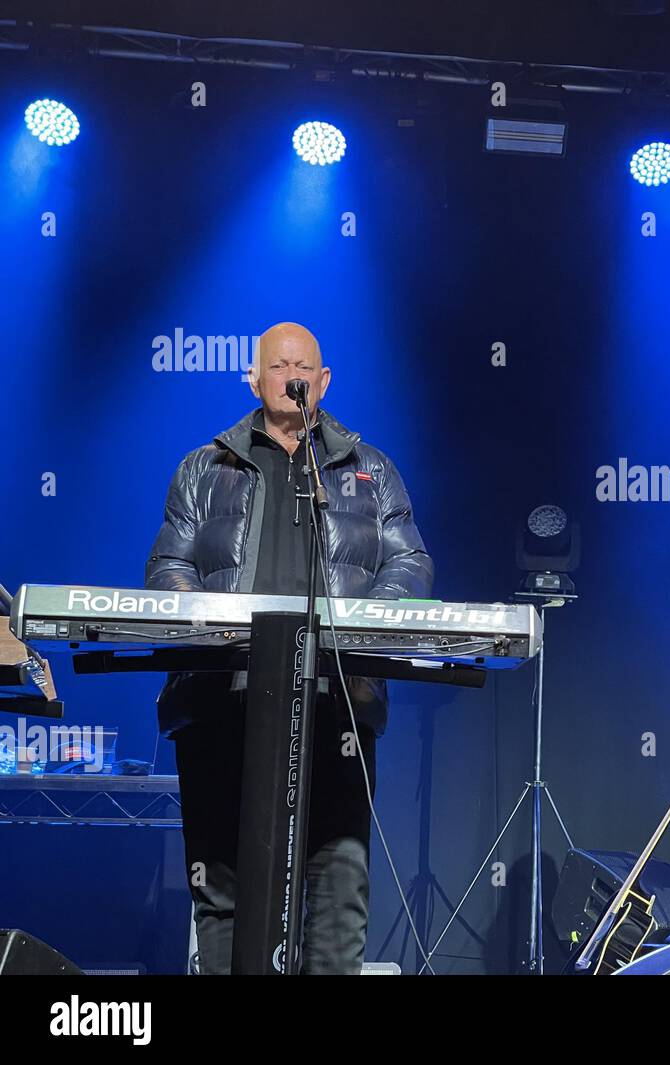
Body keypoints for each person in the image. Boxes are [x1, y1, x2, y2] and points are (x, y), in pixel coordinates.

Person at [146, 322, 433, 974]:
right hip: (226, 703)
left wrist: (361, 625)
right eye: (278, 366)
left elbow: (410, 564)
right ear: (254, 378)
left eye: (303, 366)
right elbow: (168, 569)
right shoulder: (204, 467)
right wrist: (216, 628)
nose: (291, 376)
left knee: (337, 886)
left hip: (336, 705)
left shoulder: (370, 470)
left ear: (324, 381)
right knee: (222, 892)